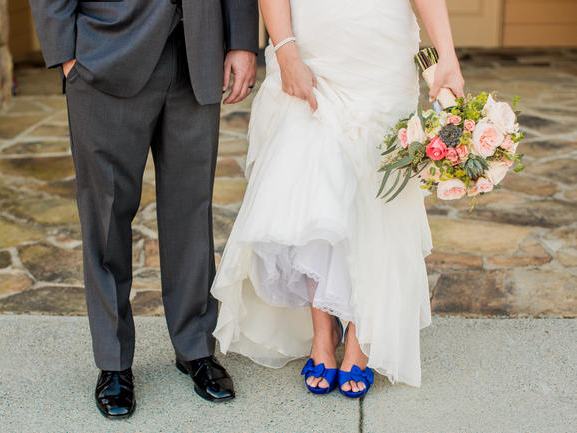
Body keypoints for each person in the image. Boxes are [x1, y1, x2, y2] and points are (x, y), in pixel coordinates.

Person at [211, 0, 465, 397]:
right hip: (311, 46)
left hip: (380, 50)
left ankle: (362, 334)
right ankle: (322, 333)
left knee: (375, 194)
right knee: (315, 191)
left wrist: (446, 53)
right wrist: (285, 48)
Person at [29, 0, 258, 418]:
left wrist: (242, 41)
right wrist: (65, 53)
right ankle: (113, 362)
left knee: (192, 210)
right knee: (106, 216)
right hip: (105, 51)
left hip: (197, 53)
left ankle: (195, 347)